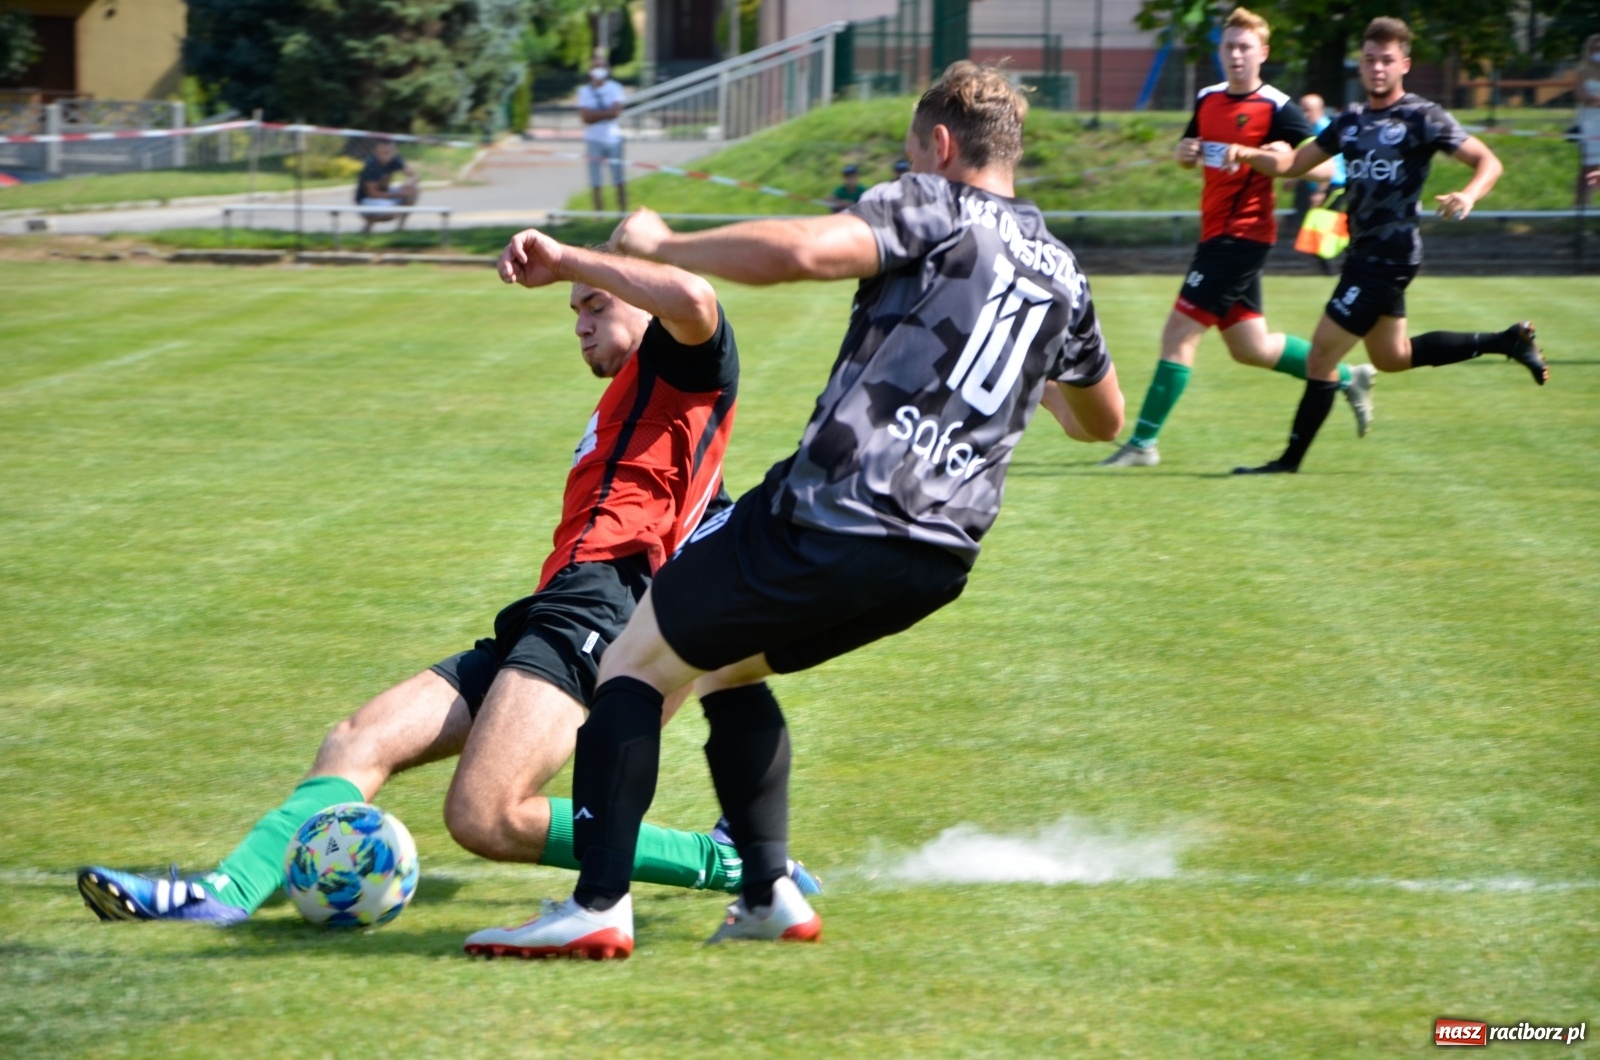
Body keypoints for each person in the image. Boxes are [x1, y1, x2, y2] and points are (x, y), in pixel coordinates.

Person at [462, 61, 1124, 960]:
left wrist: (667, 246)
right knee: (726, 671)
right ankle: (767, 890)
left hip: (838, 509)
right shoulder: (1064, 277)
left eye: (910, 155)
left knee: (631, 663)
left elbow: (806, 253)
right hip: (940, 558)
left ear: (937, 146)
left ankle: (598, 905)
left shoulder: (936, 206)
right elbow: (1100, 419)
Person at [77, 237, 822, 928]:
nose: (579, 322)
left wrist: (571, 258)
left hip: (606, 605)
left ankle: (720, 861)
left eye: (595, 304)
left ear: (637, 299)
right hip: (557, 606)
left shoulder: (683, 370)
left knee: (484, 815)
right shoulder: (635, 407)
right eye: (574, 311)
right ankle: (226, 895)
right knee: (357, 740)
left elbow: (692, 298)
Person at [1227, 16, 1548, 476]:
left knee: (1321, 355)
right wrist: (1249, 154)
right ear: (1361, 64)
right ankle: (1507, 341)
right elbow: (1296, 164)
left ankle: (1288, 462)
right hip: (1362, 254)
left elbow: (1486, 160)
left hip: (1388, 259)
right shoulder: (1351, 120)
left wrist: (1469, 194)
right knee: (1391, 357)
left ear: (1405, 65)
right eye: (1370, 59)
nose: (1378, 68)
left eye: (1387, 60)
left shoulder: (1422, 116)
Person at [1099, 8, 1372, 469]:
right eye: (1229, 47)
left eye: (1245, 47)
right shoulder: (1207, 99)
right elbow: (1191, 154)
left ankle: (1143, 443)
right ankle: (1349, 376)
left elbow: (1325, 165)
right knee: (1252, 347)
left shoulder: (1277, 108)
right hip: (1215, 235)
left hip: (1242, 236)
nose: (1236, 55)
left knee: (1178, 334)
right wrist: (1183, 153)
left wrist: (1271, 158)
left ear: (1262, 53)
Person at [1292, 92, 1347, 274]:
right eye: (1302, 110)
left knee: (1321, 226)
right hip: (1330, 186)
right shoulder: (1315, 128)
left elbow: (1328, 164)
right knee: (1322, 226)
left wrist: (1320, 191)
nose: (1305, 114)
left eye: (1308, 110)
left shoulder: (1324, 129)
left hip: (1334, 185)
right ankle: (1330, 270)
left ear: (1320, 110)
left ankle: (1332, 270)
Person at [578, 49, 628, 213]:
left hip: (613, 138)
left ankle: (622, 213)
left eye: (601, 66)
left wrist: (596, 115)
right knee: (596, 182)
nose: (598, 70)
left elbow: (615, 112)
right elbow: (585, 117)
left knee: (619, 179)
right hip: (594, 139)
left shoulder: (615, 88)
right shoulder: (584, 91)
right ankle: (599, 215)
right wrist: (604, 114)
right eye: (595, 67)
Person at [355, 140, 421, 232]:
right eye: (383, 152)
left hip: (385, 193)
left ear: (394, 152)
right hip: (366, 200)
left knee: (413, 190)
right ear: (377, 152)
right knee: (392, 212)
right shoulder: (371, 165)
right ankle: (368, 225)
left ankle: (400, 228)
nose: (386, 155)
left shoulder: (395, 160)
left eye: (389, 152)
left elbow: (414, 175)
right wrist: (398, 195)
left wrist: (408, 184)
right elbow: (372, 193)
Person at [1579, 35, 1600, 206]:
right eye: (1595, 48)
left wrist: (1595, 100)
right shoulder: (1582, 70)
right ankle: (1582, 206)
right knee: (1588, 167)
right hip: (1589, 122)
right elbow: (1581, 96)